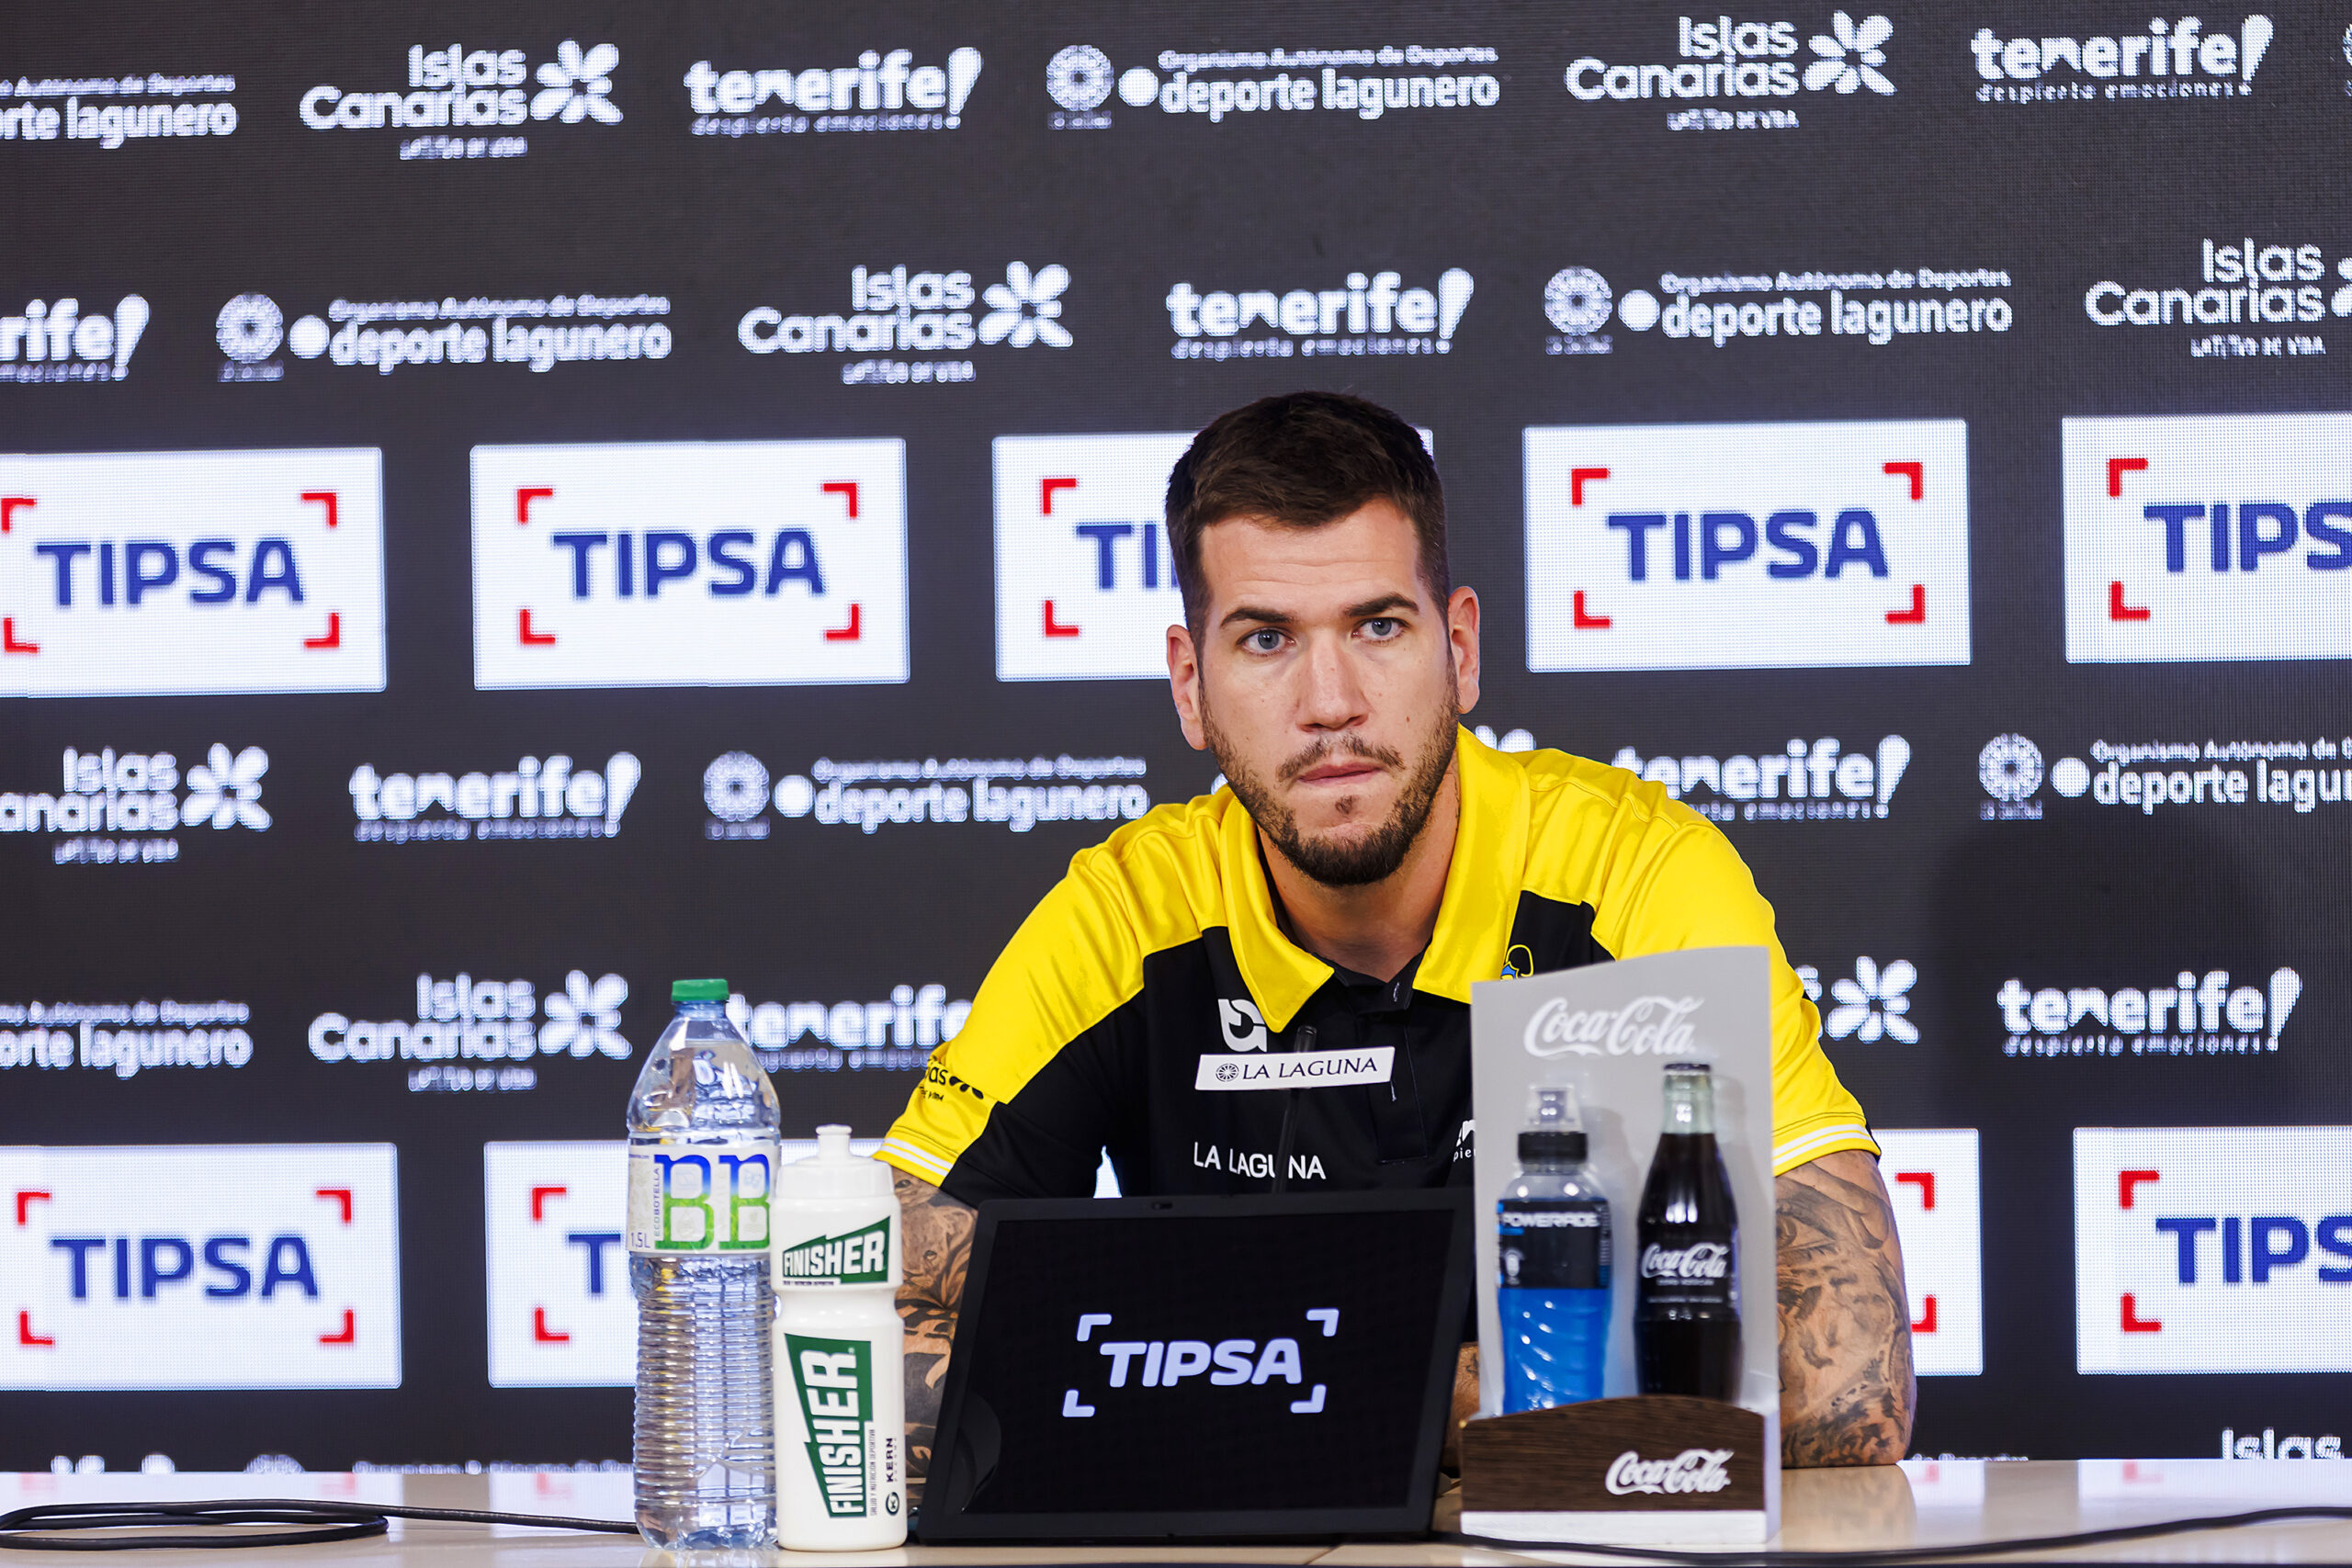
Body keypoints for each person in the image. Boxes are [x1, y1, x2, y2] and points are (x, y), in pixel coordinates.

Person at [877, 391, 1915, 1494]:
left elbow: (1847, 1389)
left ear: (1458, 648)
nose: (1331, 703)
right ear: (1190, 685)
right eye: (1265, 639)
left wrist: (1240, 1379)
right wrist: (1469, 1401)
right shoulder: (1129, 915)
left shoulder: (1636, 876)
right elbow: (856, 1335)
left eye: (1378, 627)